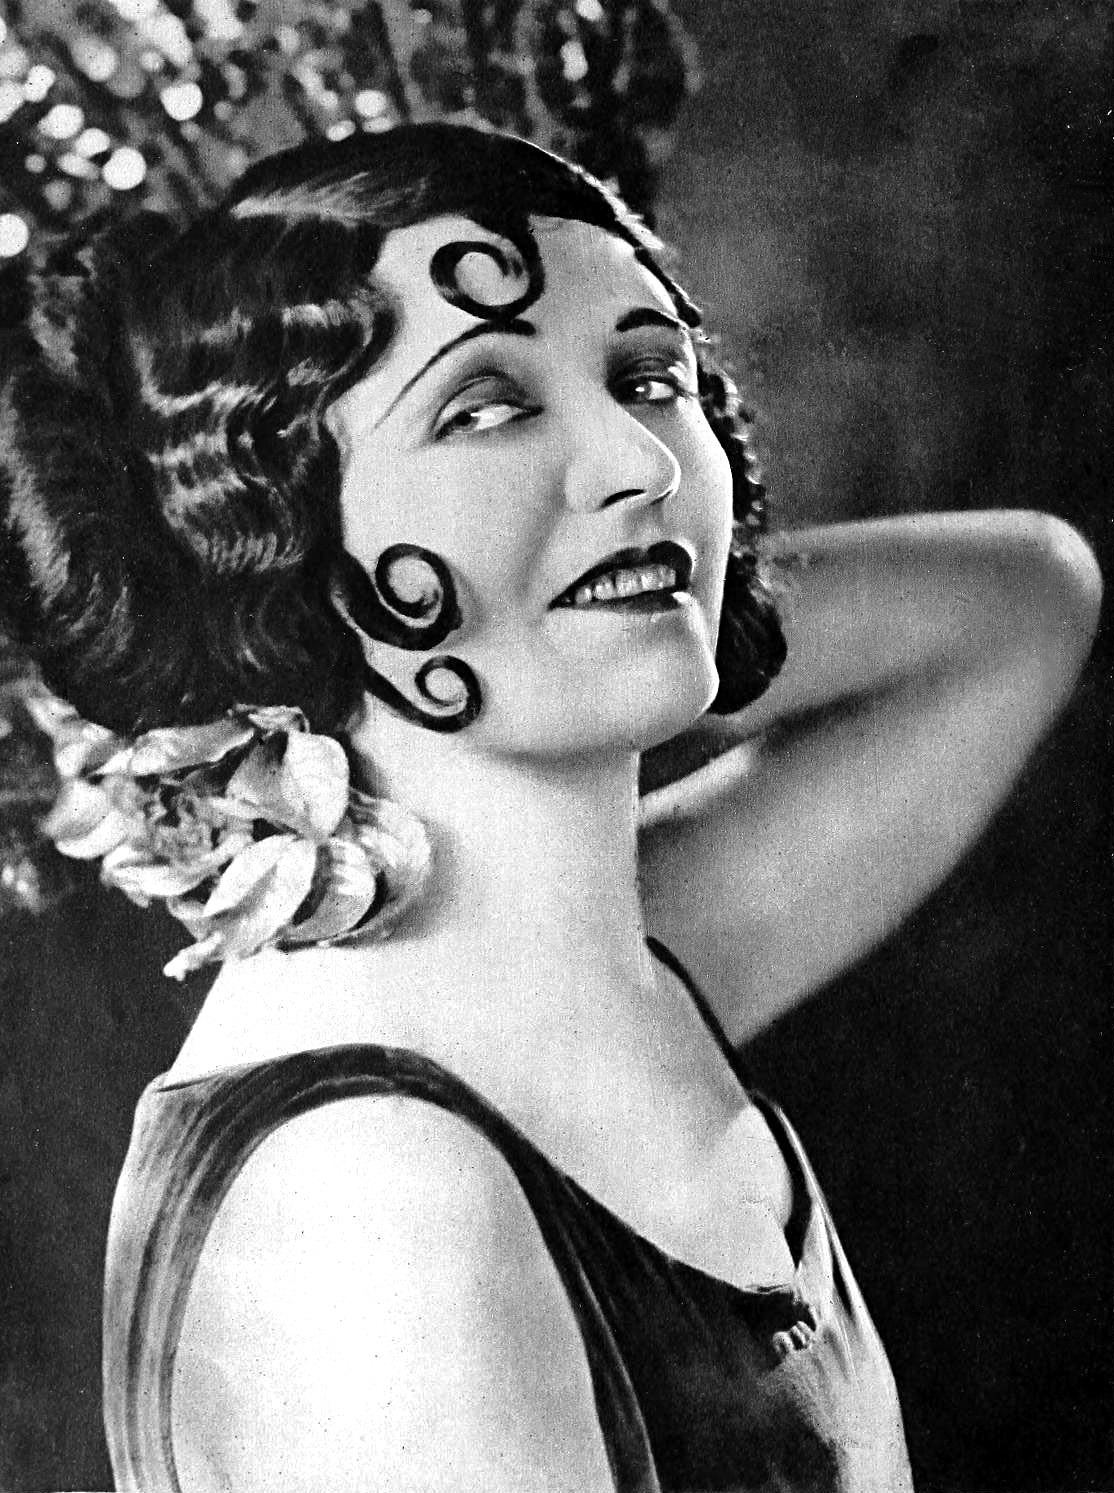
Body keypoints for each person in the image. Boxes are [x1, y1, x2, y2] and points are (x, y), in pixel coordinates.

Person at [0, 123, 1100, 1493]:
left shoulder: (586, 967)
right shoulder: (380, 1191)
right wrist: (554, 628)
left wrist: (652, 626)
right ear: (274, 535)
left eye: (649, 377)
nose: (642, 462)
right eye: (485, 406)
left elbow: (1027, 600)